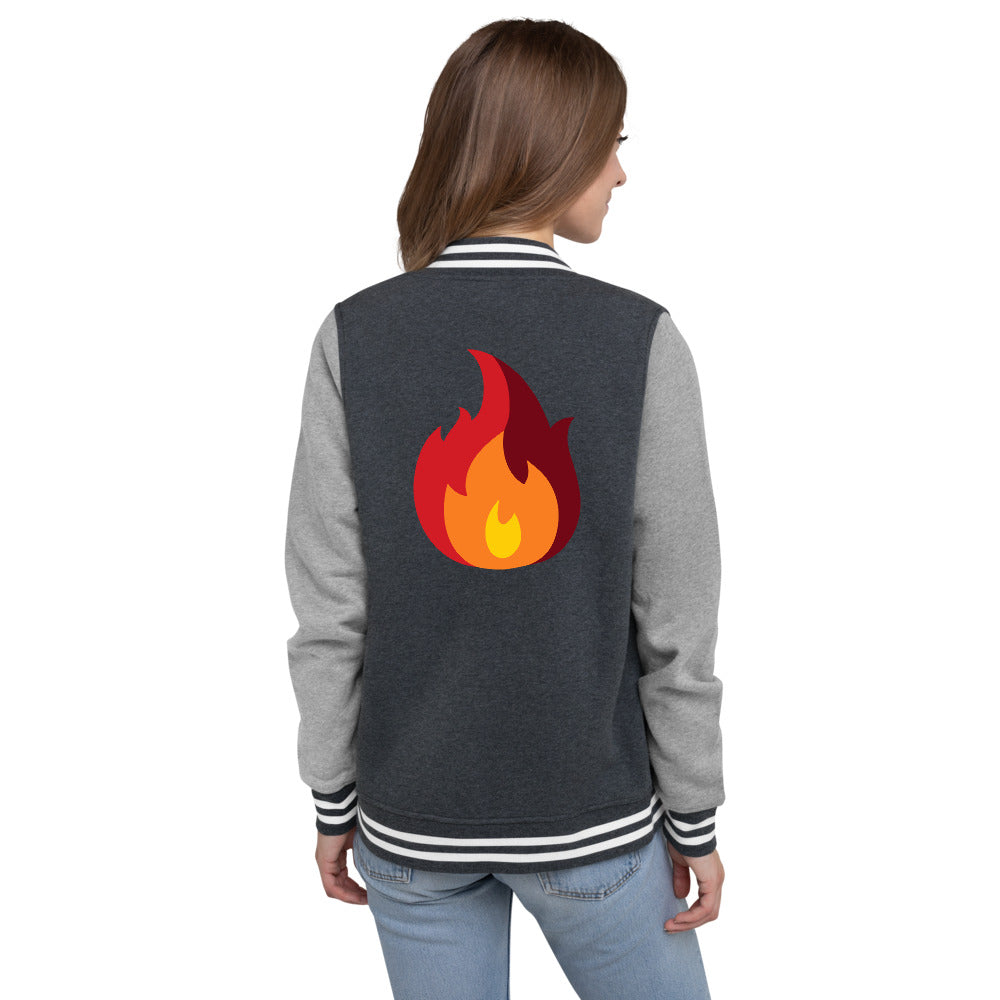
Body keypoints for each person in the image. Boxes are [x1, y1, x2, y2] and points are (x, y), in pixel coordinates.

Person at [284, 17, 725, 1000]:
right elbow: (678, 615)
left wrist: (333, 796)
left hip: (412, 827)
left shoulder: (354, 335)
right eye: (609, 143)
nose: (620, 173)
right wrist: (694, 816)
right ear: (551, 147)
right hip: (591, 824)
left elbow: (330, 607)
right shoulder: (639, 340)